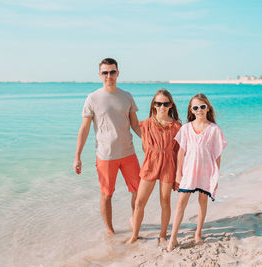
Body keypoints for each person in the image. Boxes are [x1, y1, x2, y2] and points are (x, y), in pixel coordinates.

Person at [73, 58, 141, 236]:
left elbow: (135, 125)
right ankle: (110, 230)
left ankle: (134, 219)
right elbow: (85, 128)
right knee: (106, 195)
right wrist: (77, 156)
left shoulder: (127, 96)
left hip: (128, 153)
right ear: (100, 75)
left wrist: (151, 142)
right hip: (105, 156)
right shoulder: (92, 98)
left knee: (138, 191)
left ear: (118, 73)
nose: (109, 76)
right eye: (105, 72)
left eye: (112, 72)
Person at [167, 93, 227, 251]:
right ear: (191, 110)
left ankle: (198, 233)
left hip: (206, 171)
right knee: (181, 202)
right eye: (195, 107)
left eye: (202, 106)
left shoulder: (214, 129)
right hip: (189, 171)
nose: (199, 110)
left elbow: (217, 154)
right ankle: (173, 238)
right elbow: (181, 152)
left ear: (208, 108)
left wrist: (216, 175)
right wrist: (178, 173)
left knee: (202, 201)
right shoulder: (186, 128)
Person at [126, 89, 181, 244]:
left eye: (165, 103)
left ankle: (163, 235)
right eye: (158, 103)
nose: (162, 106)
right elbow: (128, 123)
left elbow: (179, 152)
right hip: (150, 164)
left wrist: (179, 174)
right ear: (153, 105)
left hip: (168, 165)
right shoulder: (145, 124)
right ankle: (134, 235)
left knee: (165, 200)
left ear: (171, 105)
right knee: (139, 202)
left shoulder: (177, 126)